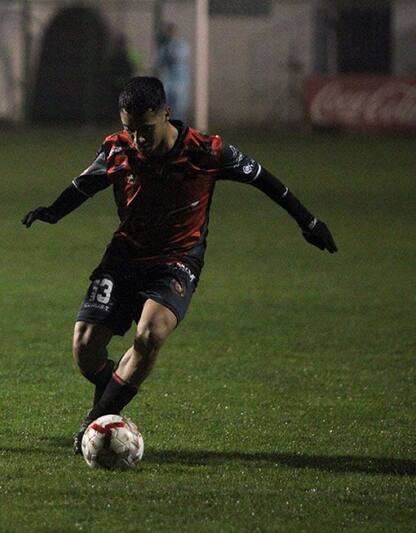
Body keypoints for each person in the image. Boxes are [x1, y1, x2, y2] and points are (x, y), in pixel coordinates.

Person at [22, 76, 336, 454]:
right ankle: (114, 398)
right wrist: (53, 212)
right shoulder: (117, 150)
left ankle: (95, 422)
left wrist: (309, 222)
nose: (137, 138)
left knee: (149, 335)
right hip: (124, 256)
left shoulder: (207, 152)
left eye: (145, 129)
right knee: (85, 349)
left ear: (166, 113)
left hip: (177, 260)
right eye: (129, 129)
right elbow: (85, 184)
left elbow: (266, 181)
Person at [155, 23, 190, 120]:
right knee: (166, 105)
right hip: (167, 79)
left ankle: (179, 129)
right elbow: (159, 62)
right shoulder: (164, 47)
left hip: (179, 81)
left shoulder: (181, 45)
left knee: (179, 107)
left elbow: (178, 57)